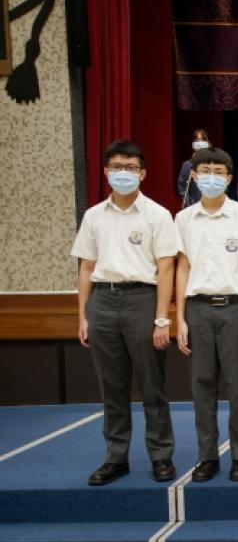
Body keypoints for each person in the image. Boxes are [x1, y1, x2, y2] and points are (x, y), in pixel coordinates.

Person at [71, 140, 179, 485]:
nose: (123, 173)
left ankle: (161, 455)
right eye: (117, 167)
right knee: (112, 388)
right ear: (106, 171)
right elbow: (86, 268)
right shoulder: (93, 216)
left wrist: (162, 319)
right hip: (102, 302)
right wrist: (83, 316)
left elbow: (166, 267)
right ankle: (116, 457)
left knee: (152, 385)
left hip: (142, 300)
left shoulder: (157, 215)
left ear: (142, 174)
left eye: (130, 168)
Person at [175, 147, 238, 483]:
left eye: (218, 172)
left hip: (235, 308)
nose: (211, 177)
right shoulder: (183, 219)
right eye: (205, 171)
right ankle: (207, 457)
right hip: (197, 308)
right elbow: (182, 267)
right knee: (202, 386)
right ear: (194, 176)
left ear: (229, 178)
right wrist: (179, 318)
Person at [177, 128, 211, 208]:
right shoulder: (187, 165)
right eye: (197, 140)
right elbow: (183, 188)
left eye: (203, 139)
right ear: (193, 144)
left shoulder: (216, 165)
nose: (200, 143)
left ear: (209, 144)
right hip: (193, 208)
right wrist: (190, 205)